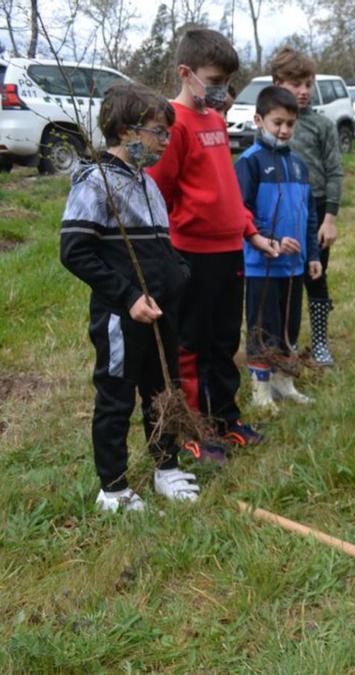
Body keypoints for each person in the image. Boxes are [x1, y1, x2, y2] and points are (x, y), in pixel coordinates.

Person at [59, 82, 200, 511]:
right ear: (124, 131)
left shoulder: (147, 183)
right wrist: (127, 297)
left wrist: (179, 273)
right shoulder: (94, 183)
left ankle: (166, 467)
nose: (164, 142)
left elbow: (161, 245)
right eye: (158, 132)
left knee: (164, 390)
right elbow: (74, 250)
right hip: (123, 317)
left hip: (162, 313)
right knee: (116, 396)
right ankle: (114, 487)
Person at [147, 28, 278, 462]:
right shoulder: (174, 125)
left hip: (228, 253)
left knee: (223, 340)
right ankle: (192, 425)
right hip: (191, 255)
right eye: (214, 79)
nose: (221, 89)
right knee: (192, 342)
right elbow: (157, 193)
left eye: (226, 81)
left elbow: (226, 191)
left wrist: (249, 229)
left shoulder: (217, 121)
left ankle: (224, 417)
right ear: (186, 73)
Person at [235, 86, 323, 413]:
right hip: (262, 264)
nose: (284, 130)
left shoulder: (299, 165)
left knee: (288, 325)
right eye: (277, 123)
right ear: (259, 120)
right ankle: (260, 390)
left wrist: (312, 254)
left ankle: (284, 381)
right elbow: (241, 210)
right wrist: (269, 238)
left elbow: (309, 213)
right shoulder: (249, 163)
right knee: (262, 325)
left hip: (294, 266)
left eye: (290, 123)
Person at [270, 47, 344, 367]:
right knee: (282, 281)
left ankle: (320, 343)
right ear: (277, 82)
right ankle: (286, 340)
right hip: (277, 211)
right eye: (295, 83)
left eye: (308, 84)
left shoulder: (321, 126)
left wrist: (329, 219)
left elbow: (334, 172)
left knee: (315, 275)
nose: (302, 91)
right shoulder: (270, 124)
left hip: (313, 211)